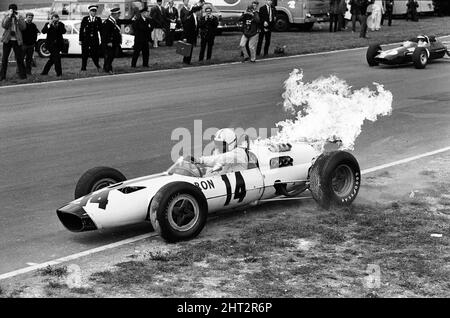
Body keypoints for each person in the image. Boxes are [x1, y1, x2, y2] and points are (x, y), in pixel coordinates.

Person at [0, 3, 27, 81]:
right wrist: (9, 16)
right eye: (11, 10)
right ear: (9, 10)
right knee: (4, 59)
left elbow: (23, 27)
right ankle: (2, 76)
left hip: (16, 40)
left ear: (16, 10)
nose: (13, 12)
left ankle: (23, 76)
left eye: (14, 10)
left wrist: (18, 18)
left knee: (19, 58)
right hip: (7, 40)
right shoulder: (6, 16)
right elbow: (4, 25)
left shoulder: (19, 16)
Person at [79, 5, 102, 72]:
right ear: (90, 12)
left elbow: (100, 30)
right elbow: (81, 30)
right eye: (92, 11)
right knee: (84, 54)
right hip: (86, 39)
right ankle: (83, 67)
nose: (93, 12)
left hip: (94, 39)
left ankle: (97, 65)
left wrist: (102, 39)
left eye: (95, 11)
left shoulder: (98, 19)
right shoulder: (85, 19)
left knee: (95, 53)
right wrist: (80, 39)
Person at [101, 7, 122, 74]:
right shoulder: (107, 22)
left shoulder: (114, 22)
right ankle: (108, 69)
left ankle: (106, 68)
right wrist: (108, 41)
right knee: (109, 56)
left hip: (114, 42)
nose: (119, 16)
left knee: (111, 56)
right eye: (118, 14)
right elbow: (105, 34)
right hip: (109, 43)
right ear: (114, 14)